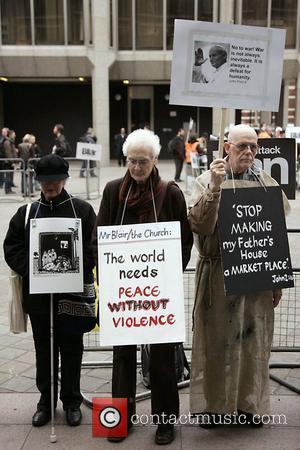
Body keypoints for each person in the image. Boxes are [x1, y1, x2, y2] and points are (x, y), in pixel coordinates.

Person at [95, 129, 193, 444]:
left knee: (163, 358)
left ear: (155, 160)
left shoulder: (171, 193)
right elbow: (100, 236)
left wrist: (164, 276)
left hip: (158, 294)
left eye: (143, 161)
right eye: (132, 161)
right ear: (126, 161)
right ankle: (118, 420)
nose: (137, 167)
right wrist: (112, 274)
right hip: (123, 293)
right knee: (122, 356)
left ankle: (165, 422)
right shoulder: (112, 192)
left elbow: (185, 241)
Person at [188, 124, 289, 428]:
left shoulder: (266, 182)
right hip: (218, 276)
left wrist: (276, 278)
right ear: (226, 148)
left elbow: (275, 234)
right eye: (241, 146)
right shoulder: (206, 180)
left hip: (256, 277)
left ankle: (249, 405)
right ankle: (214, 407)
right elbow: (200, 224)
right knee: (217, 343)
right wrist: (216, 188)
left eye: (253, 147)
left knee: (252, 343)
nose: (248, 152)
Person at [3, 154, 96, 428]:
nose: (50, 186)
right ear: (38, 181)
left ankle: (71, 402)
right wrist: (33, 269)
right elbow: (12, 247)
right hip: (40, 298)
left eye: (55, 180)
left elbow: (94, 246)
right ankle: (45, 402)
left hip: (73, 295)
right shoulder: (27, 212)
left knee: (71, 348)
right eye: (45, 181)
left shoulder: (82, 210)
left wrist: (77, 267)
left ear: (65, 179)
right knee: (44, 350)